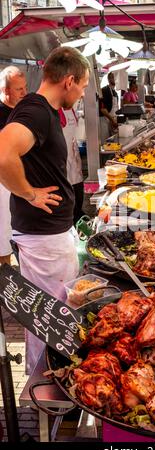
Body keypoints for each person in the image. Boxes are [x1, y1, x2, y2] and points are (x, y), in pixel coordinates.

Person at [0, 46, 90, 374]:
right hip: (44, 239)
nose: (81, 94)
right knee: (49, 317)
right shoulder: (36, 111)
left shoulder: (43, 110)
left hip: (49, 236)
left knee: (56, 312)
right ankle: (48, 383)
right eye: (82, 86)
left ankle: (54, 377)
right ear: (68, 81)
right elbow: (2, 153)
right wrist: (29, 193)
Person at [0, 66, 27, 265]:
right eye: (19, 89)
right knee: (3, 233)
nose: (24, 93)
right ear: (5, 90)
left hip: (23, 179)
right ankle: (5, 276)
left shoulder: (24, 110)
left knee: (22, 232)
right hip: (2, 184)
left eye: (25, 88)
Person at [58, 107, 84, 224]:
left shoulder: (71, 109)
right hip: (63, 158)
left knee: (78, 189)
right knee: (69, 195)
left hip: (74, 154)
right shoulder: (57, 110)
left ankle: (79, 217)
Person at [99, 71, 118, 144]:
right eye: (113, 77)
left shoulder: (115, 92)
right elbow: (103, 109)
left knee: (112, 142)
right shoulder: (104, 90)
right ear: (109, 79)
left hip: (112, 119)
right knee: (105, 142)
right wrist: (112, 120)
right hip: (104, 120)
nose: (116, 79)